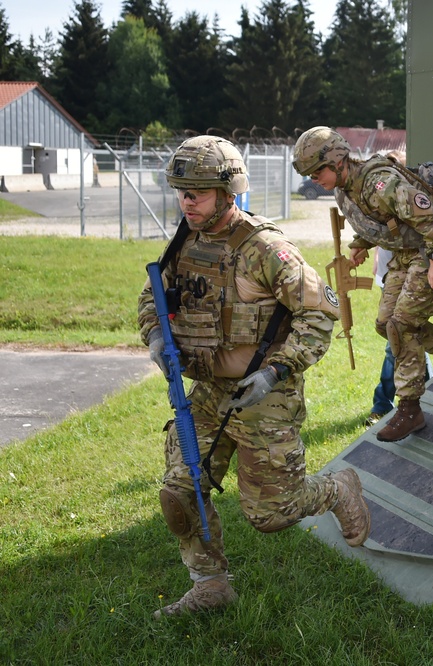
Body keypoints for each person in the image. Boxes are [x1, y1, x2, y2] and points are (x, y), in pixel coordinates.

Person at [138, 136, 371, 619]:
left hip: (265, 398)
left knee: (271, 515)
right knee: (179, 495)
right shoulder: (185, 241)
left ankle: (338, 488)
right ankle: (210, 585)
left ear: (228, 192)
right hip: (205, 396)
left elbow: (319, 314)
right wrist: (158, 340)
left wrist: (275, 371)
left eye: (197, 193)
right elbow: (151, 300)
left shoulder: (265, 248)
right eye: (182, 192)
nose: (187, 202)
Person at [293, 127, 433, 442]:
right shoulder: (344, 188)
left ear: (336, 162)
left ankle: (409, 409)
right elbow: (374, 219)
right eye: (310, 175)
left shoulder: (380, 183)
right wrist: (360, 242)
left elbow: (429, 217)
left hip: (431, 249)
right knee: (383, 324)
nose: (314, 180)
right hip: (405, 255)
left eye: (316, 172)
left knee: (401, 325)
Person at [367, 246, 433, 427]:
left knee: (397, 341)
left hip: (409, 273)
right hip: (388, 272)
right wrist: (376, 254)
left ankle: (383, 403)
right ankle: (430, 391)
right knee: (409, 337)